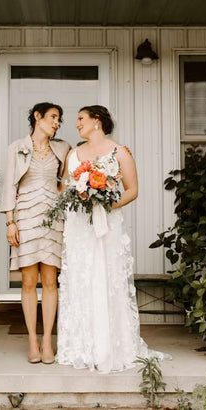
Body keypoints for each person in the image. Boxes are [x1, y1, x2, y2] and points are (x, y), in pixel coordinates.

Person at [56, 105, 168, 373]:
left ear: (97, 121)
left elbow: (132, 190)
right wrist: (79, 198)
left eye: (81, 119)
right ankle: (82, 346)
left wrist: (105, 205)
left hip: (107, 225)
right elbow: (63, 189)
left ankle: (111, 346)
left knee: (106, 278)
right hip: (79, 227)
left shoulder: (120, 151)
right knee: (81, 279)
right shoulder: (73, 154)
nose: (77, 124)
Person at [0, 102, 70, 364]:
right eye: (52, 117)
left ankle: (48, 340)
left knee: (50, 281)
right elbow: (9, 185)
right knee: (29, 282)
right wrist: (10, 221)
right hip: (25, 216)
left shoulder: (63, 148)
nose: (56, 123)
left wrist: (116, 152)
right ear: (37, 117)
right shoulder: (16, 147)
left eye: (59, 120)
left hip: (53, 218)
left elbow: (70, 177)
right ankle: (32, 340)